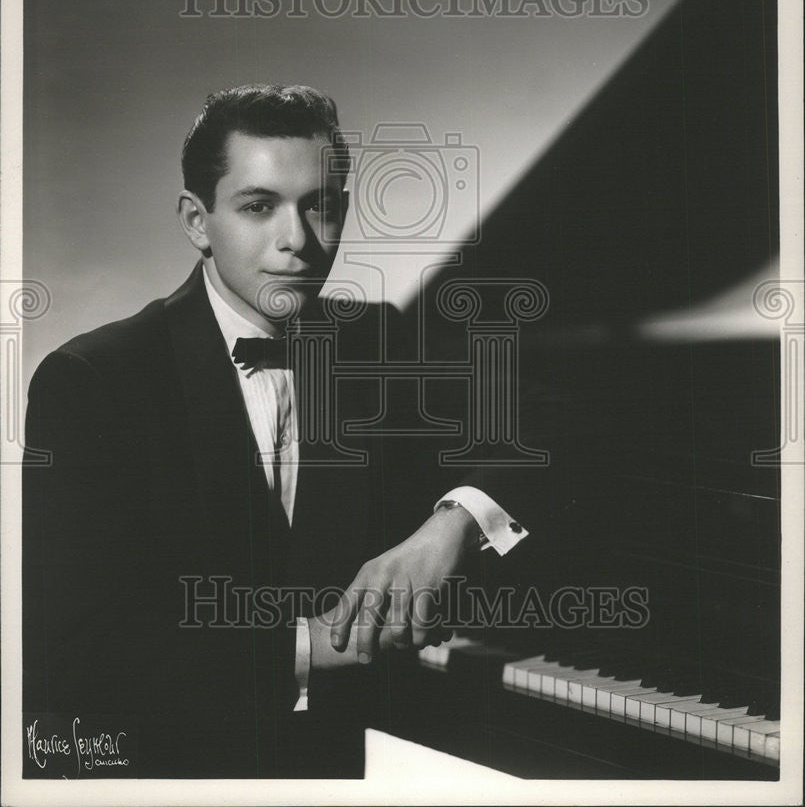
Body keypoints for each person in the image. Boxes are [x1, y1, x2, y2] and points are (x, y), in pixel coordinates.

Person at [23, 84, 529, 779]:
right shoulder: (92, 380)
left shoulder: (377, 339)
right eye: (258, 206)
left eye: (320, 205)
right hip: (157, 774)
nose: (296, 239)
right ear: (197, 221)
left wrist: (455, 521)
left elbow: (546, 421)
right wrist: (312, 645)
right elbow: (72, 656)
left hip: (337, 770)